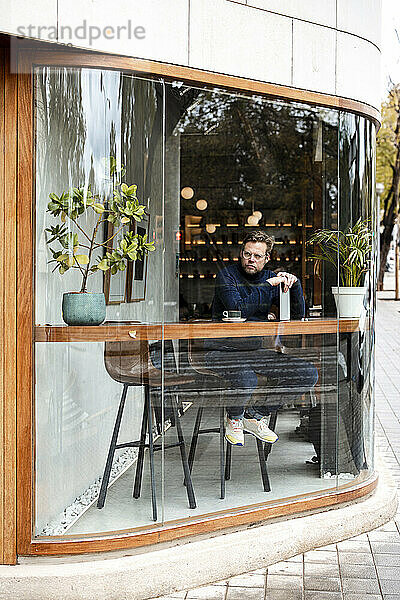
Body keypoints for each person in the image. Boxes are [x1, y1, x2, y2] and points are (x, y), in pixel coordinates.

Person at [205, 230, 318, 447]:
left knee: (307, 373)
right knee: (248, 379)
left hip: (253, 351)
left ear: (267, 259)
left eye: (257, 256)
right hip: (220, 351)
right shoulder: (226, 276)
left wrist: (294, 286)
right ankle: (234, 418)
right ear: (241, 254)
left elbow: (296, 316)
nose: (251, 260)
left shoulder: (269, 277)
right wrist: (268, 287)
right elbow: (238, 310)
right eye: (247, 254)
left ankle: (254, 415)